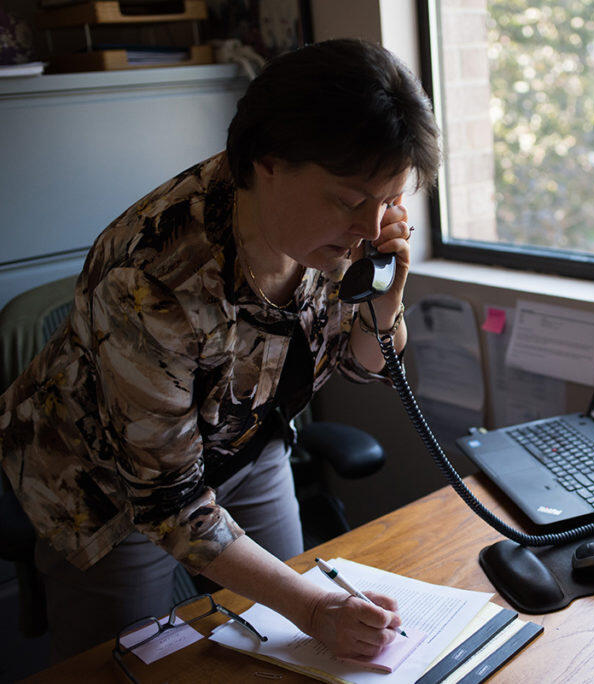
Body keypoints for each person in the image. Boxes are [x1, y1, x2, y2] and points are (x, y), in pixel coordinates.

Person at [0, 38, 440, 661]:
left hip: (247, 439)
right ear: (267, 163)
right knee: (133, 665)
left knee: (289, 646)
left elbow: (363, 366)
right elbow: (168, 501)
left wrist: (385, 291)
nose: (371, 228)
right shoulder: (151, 276)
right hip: (111, 491)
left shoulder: (329, 233)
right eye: (348, 201)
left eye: (390, 199)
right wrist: (313, 606)